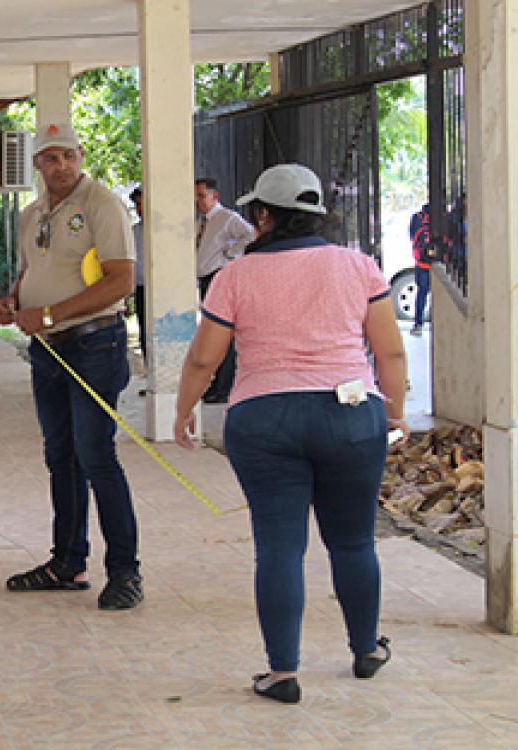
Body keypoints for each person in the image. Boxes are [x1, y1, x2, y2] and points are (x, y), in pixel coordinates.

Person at [173, 163, 404, 704]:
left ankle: (282, 673)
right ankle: (367, 649)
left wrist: (183, 409)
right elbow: (389, 350)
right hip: (350, 414)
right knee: (352, 541)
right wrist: (393, 413)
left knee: (279, 546)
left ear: (263, 215)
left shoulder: (234, 276)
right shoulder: (358, 266)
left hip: (264, 419)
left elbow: (205, 357)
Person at [0, 122, 141, 610]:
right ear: (36, 164)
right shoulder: (32, 213)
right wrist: (12, 299)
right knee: (61, 456)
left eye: (68, 157)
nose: (61, 166)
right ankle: (67, 562)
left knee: (96, 455)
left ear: (80, 155)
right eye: (50, 158)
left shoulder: (102, 204)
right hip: (48, 349)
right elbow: (32, 271)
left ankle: (124, 572)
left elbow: (120, 280)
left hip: (94, 344)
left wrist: (52, 313)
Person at [195, 177, 256, 403]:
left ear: (214, 197)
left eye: (202, 196)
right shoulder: (201, 222)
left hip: (218, 276)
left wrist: (231, 255)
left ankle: (224, 386)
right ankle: (216, 383)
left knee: (221, 333)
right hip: (204, 277)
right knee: (211, 333)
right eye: (195, 197)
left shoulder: (227, 218)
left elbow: (250, 235)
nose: (197, 201)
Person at [408, 203, 433, 335]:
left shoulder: (417, 217)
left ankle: (418, 324)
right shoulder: (441, 218)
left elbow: (412, 237)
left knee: (422, 293)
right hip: (437, 263)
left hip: (421, 263)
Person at [130, 186, 147, 374]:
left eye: (143, 204)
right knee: (144, 333)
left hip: (160, 289)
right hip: (140, 287)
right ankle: (151, 375)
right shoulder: (133, 231)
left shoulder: (163, 232)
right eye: (137, 205)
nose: (140, 209)